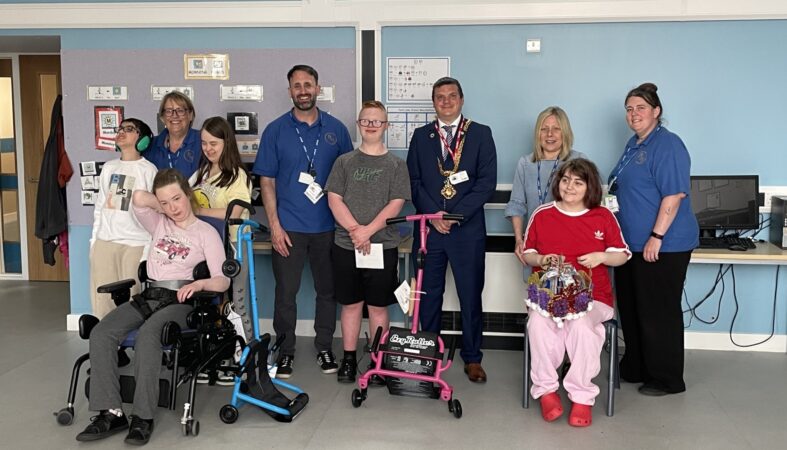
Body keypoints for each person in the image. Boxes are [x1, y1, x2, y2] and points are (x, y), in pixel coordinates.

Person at [75, 169, 230, 445]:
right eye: (166, 202)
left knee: (149, 336)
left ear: (188, 194)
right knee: (102, 332)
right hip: (150, 296)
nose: (173, 208)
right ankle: (112, 412)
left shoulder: (206, 232)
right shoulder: (158, 223)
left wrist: (200, 284)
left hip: (182, 300)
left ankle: (142, 417)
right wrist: (162, 205)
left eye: (177, 199)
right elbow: (136, 197)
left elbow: (222, 281)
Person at [252, 64, 353, 378]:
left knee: (328, 292)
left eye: (308, 84)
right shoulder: (275, 130)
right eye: (297, 86)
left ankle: (324, 347)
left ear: (318, 88)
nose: (303, 90)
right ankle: (285, 351)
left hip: (329, 228)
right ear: (290, 91)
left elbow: (349, 178)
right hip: (289, 228)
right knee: (286, 294)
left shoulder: (336, 129)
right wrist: (275, 226)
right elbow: (266, 181)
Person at [522, 158, 630, 427]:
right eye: (566, 180)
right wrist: (542, 259)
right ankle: (546, 390)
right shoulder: (542, 214)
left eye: (578, 182)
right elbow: (528, 253)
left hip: (593, 298)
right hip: (550, 298)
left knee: (581, 324)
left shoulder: (602, 216)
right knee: (537, 323)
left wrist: (601, 256)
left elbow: (623, 255)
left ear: (589, 187)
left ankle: (581, 395)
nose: (570, 186)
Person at [406, 77, 497, 383]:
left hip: (467, 230)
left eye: (451, 96)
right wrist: (433, 216)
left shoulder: (481, 134)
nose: (446, 101)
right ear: (433, 102)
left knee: (470, 295)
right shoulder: (421, 136)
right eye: (440, 97)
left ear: (461, 99)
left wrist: (455, 215)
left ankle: (472, 357)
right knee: (429, 295)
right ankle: (428, 354)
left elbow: (486, 183)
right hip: (430, 230)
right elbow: (414, 182)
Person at [609, 82, 698, 396]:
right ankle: (637, 365)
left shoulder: (668, 145)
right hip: (629, 245)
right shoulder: (634, 145)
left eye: (641, 108)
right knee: (632, 309)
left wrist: (656, 237)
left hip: (663, 245)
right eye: (630, 109)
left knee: (657, 311)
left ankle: (667, 377)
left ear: (657, 111)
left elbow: (674, 194)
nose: (634, 114)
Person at [324, 101, 411, 383]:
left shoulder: (397, 165)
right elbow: (334, 198)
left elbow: (396, 203)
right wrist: (354, 230)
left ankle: (378, 359)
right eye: (366, 120)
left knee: (377, 306)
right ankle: (349, 359)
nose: (371, 125)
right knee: (350, 304)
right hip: (345, 245)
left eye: (377, 121)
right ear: (359, 124)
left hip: (382, 246)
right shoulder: (344, 162)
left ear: (386, 126)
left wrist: (368, 231)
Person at [190, 116, 252, 384]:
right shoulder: (202, 173)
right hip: (206, 246)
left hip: (234, 246)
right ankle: (215, 356)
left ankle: (244, 357)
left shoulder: (237, 175)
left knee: (237, 303)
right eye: (204, 143)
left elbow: (233, 212)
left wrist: (198, 211)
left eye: (213, 143)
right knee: (212, 303)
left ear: (227, 142)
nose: (208, 148)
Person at [89, 118, 158, 319]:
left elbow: (154, 215)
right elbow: (100, 207)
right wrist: (94, 243)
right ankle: (107, 346)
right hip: (106, 242)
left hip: (135, 245)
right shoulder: (109, 168)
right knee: (103, 303)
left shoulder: (148, 170)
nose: (121, 132)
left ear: (142, 140)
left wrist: (147, 251)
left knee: (131, 303)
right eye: (120, 129)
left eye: (129, 129)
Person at [505, 106, 587, 264]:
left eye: (556, 129)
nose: (550, 134)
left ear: (565, 133)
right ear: (538, 134)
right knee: (539, 288)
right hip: (536, 244)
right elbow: (517, 204)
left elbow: (590, 204)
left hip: (572, 241)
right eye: (544, 129)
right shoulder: (525, 163)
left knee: (571, 287)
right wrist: (518, 239)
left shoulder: (579, 160)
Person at [144, 91, 201, 178]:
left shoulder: (203, 141)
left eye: (180, 110)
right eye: (169, 111)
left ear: (190, 115)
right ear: (162, 117)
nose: (174, 115)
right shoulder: (150, 146)